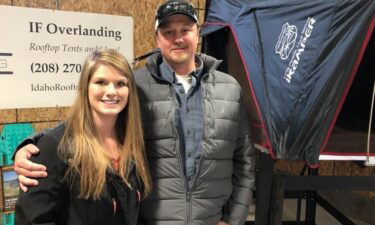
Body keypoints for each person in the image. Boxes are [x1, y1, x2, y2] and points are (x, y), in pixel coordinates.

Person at [14, 1, 255, 225]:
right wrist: (32, 145)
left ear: (198, 32)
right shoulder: (136, 85)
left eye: (185, 30)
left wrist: (234, 219)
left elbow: (244, 160)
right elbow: (88, 121)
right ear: (157, 38)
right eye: (168, 32)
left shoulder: (230, 88)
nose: (178, 38)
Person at [14, 49, 151, 225]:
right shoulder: (56, 147)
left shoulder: (132, 144)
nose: (111, 91)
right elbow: (31, 220)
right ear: (85, 87)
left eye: (120, 83)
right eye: (101, 82)